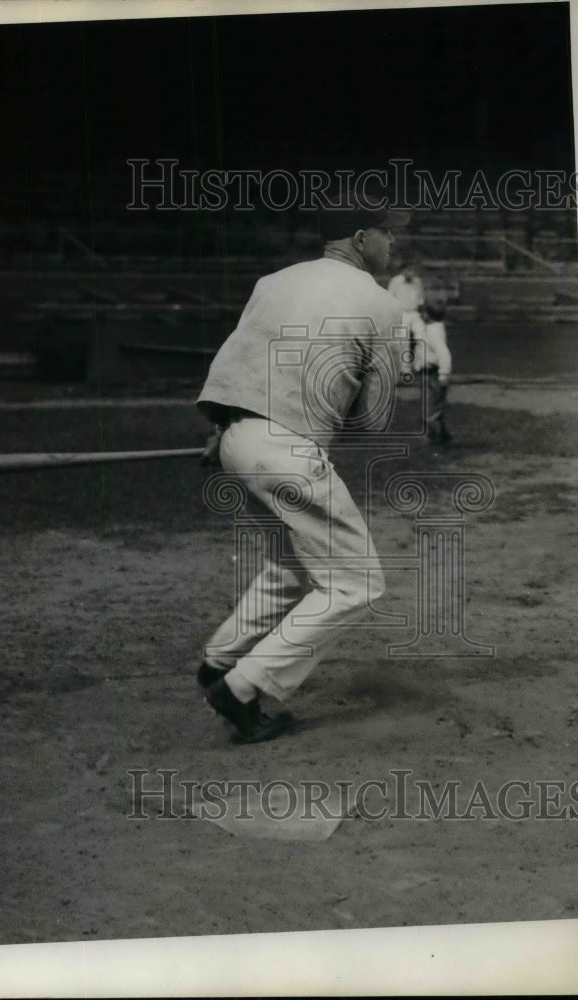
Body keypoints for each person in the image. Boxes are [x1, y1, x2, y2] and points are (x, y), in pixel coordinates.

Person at [195, 207, 410, 744]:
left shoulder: (273, 282)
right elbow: (372, 422)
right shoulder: (383, 305)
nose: (393, 243)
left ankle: (221, 659)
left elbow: (238, 363)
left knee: (292, 566)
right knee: (358, 584)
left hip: (235, 438)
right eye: (388, 232)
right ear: (362, 239)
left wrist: (225, 431)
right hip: (289, 452)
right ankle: (243, 686)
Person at [414, 295, 453, 444]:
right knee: (430, 404)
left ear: (426, 315)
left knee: (432, 406)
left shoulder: (433, 332)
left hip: (434, 373)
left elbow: (444, 354)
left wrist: (444, 373)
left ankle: (435, 437)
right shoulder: (432, 328)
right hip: (427, 371)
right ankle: (441, 434)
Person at [387, 261, 426, 378]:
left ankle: (419, 365)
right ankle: (405, 369)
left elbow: (421, 300)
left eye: (413, 270)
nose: (411, 273)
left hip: (414, 314)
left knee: (422, 335)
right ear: (403, 271)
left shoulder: (418, 282)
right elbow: (389, 299)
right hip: (401, 314)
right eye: (408, 270)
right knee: (403, 340)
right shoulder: (395, 281)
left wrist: (422, 313)